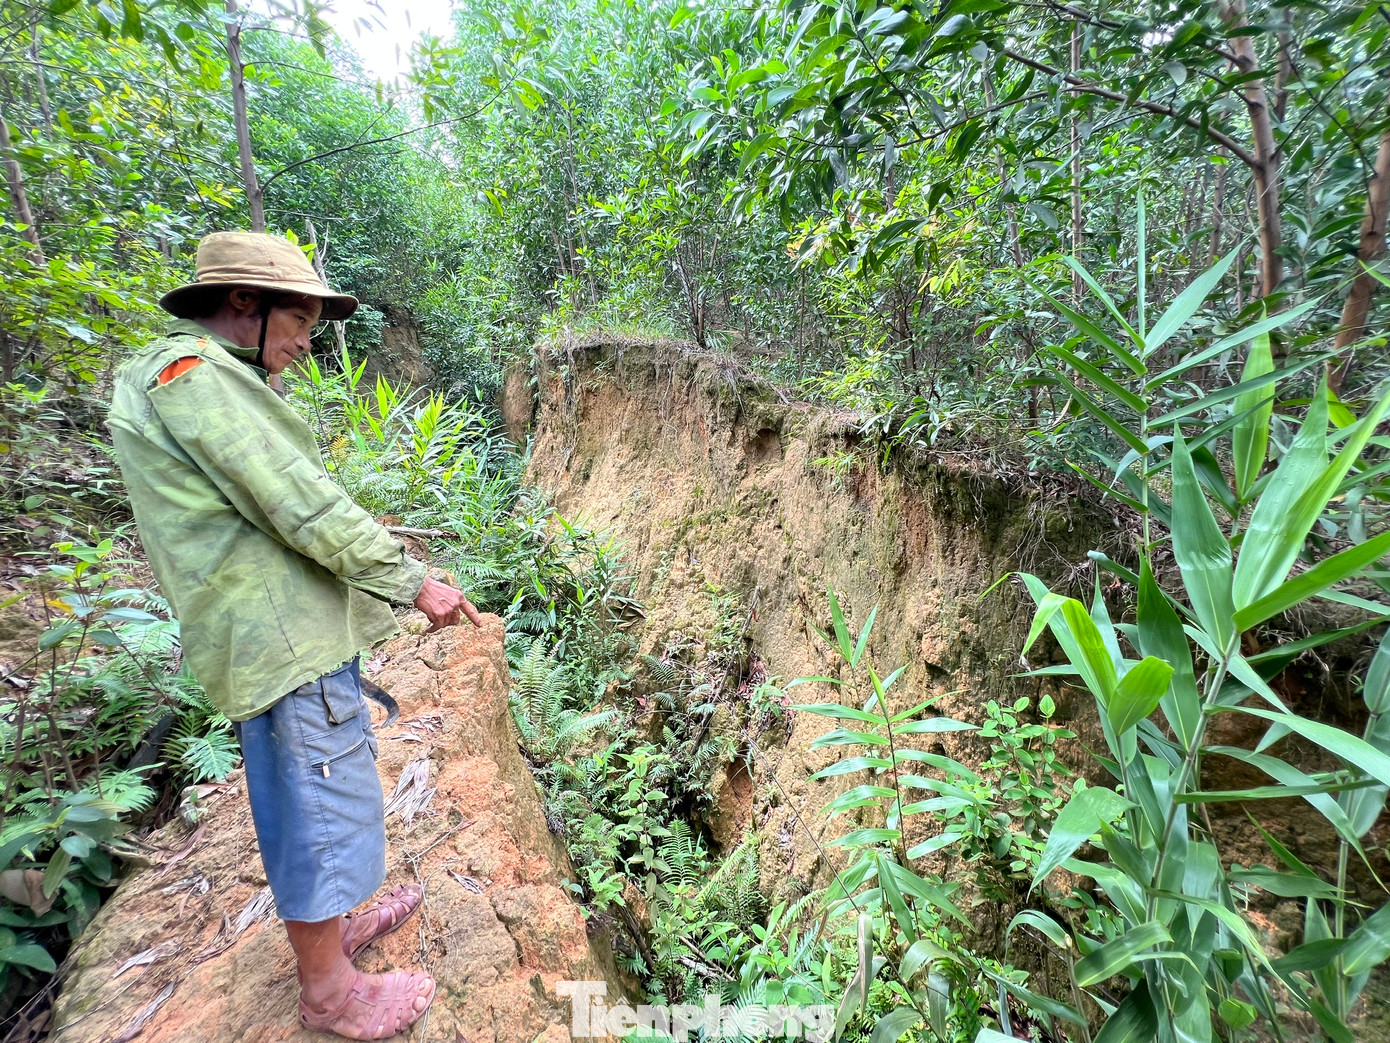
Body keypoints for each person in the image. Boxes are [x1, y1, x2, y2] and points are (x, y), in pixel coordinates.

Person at [107, 231, 480, 1040]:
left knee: (315, 784)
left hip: (270, 630)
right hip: (280, 637)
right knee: (316, 796)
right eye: (301, 318)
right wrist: (413, 580)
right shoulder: (195, 378)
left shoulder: (177, 378)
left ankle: (331, 933)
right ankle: (330, 993)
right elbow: (298, 501)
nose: (309, 339)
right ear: (246, 302)